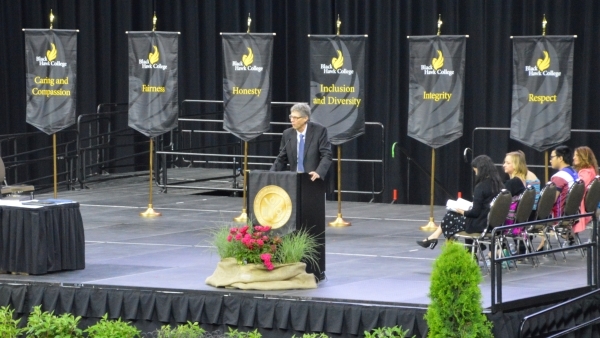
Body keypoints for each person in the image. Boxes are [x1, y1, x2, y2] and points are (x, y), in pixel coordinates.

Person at [416, 155, 505, 249]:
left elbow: (474, 213)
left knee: (450, 216)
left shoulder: (481, 187)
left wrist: (461, 211)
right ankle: (435, 238)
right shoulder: (498, 184)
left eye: (476, 171)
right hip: (493, 224)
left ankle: (447, 247)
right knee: (451, 216)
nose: (475, 174)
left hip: (481, 225)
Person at [271, 103, 332, 181]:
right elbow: (281, 159)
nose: (292, 120)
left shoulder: (319, 131)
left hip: (314, 179)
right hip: (294, 180)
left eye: (296, 118)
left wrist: (318, 172)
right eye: (291, 117)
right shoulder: (287, 134)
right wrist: (270, 174)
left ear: (305, 118)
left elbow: (327, 155)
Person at [537, 145, 578, 251]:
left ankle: (529, 247)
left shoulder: (559, 177)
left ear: (560, 158)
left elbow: (550, 201)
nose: (550, 160)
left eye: (552, 157)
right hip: (574, 213)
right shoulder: (575, 173)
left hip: (559, 216)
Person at [572, 146, 599, 233]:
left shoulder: (585, 173)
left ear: (583, 157)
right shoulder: (591, 170)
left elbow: (578, 193)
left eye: (576, 155)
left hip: (583, 210)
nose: (573, 158)